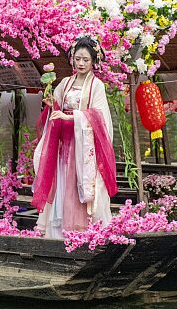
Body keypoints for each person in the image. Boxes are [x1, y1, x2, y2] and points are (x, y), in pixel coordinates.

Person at [32, 35, 118, 238]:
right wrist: (51, 102)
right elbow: (57, 107)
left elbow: (99, 116)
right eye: (77, 58)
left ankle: (85, 232)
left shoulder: (96, 85)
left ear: (94, 62)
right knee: (63, 182)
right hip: (65, 144)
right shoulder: (65, 83)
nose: (81, 63)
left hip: (84, 146)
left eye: (86, 60)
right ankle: (60, 234)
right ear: (72, 58)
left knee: (79, 185)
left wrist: (71, 117)